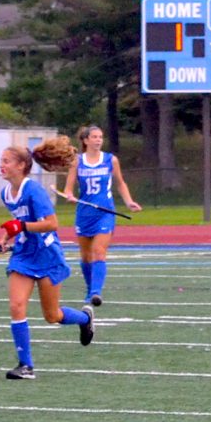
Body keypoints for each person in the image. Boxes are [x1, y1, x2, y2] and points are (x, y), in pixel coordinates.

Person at [0, 138, 92, 380]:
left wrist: (21, 226)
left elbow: (52, 223)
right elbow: (18, 223)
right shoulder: (6, 193)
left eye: (6, 161)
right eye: (1, 161)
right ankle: (25, 365)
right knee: (16, 306)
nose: (1, 165)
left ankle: (85, 318)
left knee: (52, 316)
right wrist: (7, 236)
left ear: (21, 166)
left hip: (47, 256)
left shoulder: (34, 190)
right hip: (24, 256)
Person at [69, 124, 142, 307]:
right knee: (86, 256)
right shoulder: (77, 161)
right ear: (86, 140)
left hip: (105, 213)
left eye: (100, 137)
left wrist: (128, 201)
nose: (98, 140)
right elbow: (68, 188)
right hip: (85, 214)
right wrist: (69, 195)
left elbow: (120, 183)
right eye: (94, 137)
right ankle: (89, 289)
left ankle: (96, 293)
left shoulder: (111, 160)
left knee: (99, 252)